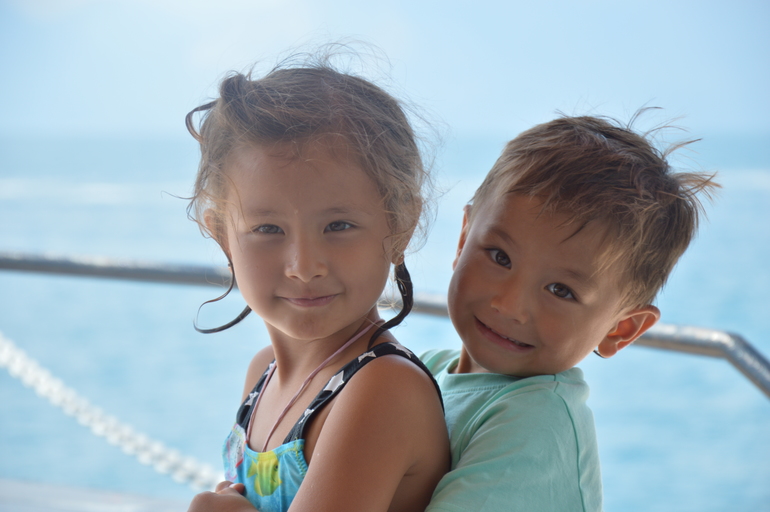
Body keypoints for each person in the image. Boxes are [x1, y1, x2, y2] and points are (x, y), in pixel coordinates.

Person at [184, 53, 449, 512]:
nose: (304, 266)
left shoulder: (382, 390)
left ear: (401, 226)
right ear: (223, 237)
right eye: (268, 229)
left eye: (338, 226)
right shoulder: (263, 372)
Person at [421, 114, 718, 512]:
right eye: (499, 256)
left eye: (561, 290)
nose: (509, 305)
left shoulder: (536, 427)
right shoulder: (424, 371)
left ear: (620, 329)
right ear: (463, 239)